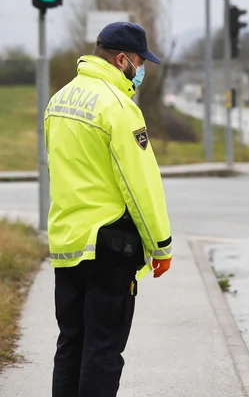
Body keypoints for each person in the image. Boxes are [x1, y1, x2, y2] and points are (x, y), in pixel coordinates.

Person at [45, 21, 173, 397]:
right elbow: (140, 185)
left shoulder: (59, 99)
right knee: (103, 349)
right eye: (140, 62)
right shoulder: (119, 108)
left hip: (68, 243)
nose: (142, 70)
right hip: (108, 245)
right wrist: (160, 246)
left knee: (71, 344)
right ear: (122, 60)